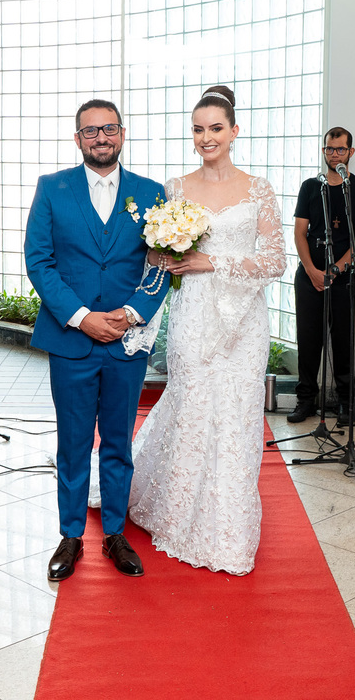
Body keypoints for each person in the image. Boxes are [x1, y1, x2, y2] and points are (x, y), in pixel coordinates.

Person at [128, 85, 287, 575]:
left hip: (244, 322)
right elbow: (153, 255)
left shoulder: (258, 189)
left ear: (234, 131)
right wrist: (167, 253)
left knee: (238, 415)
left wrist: (211, 261)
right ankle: (178, 513)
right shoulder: (175, 189)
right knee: (193, 405)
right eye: (198, 130)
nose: (206, 137)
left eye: (216, 128)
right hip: (194, 314)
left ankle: (230, 528)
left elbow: (275, 260)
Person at [25, 98, 168, 581]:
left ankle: (114, 533)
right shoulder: (52, 188)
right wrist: (82, 317)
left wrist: (130, 314)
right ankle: (70, 535)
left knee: (118, 442)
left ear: (122, 134)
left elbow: (161, 265)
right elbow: (39, 261)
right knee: (73, 441)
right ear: (78, 138)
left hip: (127, 342)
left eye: (109, 128)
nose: (101, 137)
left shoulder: (151, 193)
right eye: (91, 130)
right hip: (72, 340)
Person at [288, 126, 355, 424]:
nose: (334, 154)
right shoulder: (311, 187)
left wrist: (336, 269)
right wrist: (312, 271)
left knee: (344, 342)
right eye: (329, 148)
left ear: (351, 152)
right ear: (323, 150)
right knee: (308, 340)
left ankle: (346, 404)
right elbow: (299, 233)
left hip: (346, 279)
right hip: (310, 277)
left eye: (340, 149)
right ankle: (306, 401)